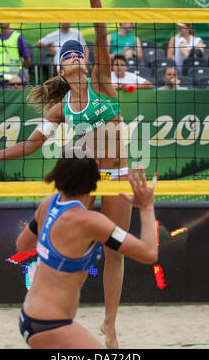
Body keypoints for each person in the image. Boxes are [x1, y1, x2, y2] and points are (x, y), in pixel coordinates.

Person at [0, 0, 133, 349]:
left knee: (114, 250)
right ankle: (58, 314)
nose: (76, 56)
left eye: (80, 53)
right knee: (69, 245)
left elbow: (101, 34)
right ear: (60, 69)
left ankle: (110, 324)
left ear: (88, 61)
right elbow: (31, 145)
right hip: (87, 181)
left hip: (118, 175)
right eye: (68, 55)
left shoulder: (101, 82)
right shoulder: (59, 107)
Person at [17, 147, 157, 349]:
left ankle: (108, 325)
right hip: (50, 325)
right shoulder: (90, 223)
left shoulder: (48, 204)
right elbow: (149, 253)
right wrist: (146, 207)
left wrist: (46, 230)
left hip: (29, 316)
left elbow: (22, 246)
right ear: (95, 179)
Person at [0, 23, 31, 89]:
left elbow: (27, 58)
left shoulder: (17, 37)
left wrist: (22, 73)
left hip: (15, 82)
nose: (3, 22)